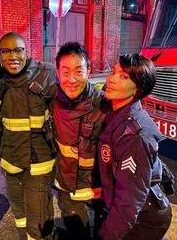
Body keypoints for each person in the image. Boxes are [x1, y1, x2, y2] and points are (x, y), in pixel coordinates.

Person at [96, 53, 172, 240]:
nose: (112, 79)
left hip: (143, 220)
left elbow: (129, 204)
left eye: (124, 77)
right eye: (113, 72)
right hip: (135, 210)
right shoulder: (114, 109)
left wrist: (106, 237)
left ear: (138, 88)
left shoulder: (135, 135)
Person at [0, 32, 57, 240]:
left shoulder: (46, 73)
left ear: (26, 51)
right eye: (6, 51)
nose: (13, 56)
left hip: (39, 163)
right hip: (11, 162)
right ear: (0, 54)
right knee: (19, 213)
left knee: (38, 217)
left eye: (18, 50)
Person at [53, 42, 105, 240]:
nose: (71, 79)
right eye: (65, 72)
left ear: (89, 71)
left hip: (99, 186)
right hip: (67, 185)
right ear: (57, 73)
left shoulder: (105, 104)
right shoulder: (51, 100)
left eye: (78, 71)